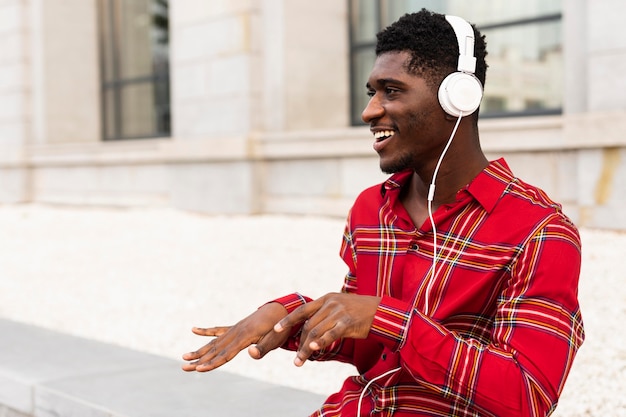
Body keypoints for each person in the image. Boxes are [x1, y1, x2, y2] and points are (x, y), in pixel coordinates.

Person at [182, 9, 584, 416]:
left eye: (391, 91)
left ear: (458, 97)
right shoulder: (370, 209)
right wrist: (287, 317)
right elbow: (366, 338)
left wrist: (387, 317)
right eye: (371, 92)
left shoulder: (540, 231)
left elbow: (527, 395)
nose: (369, 111)